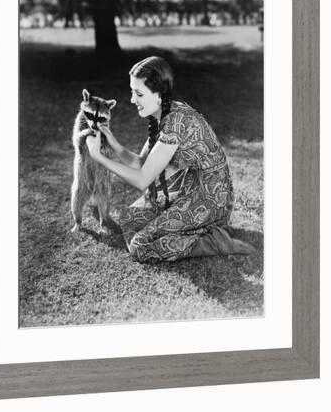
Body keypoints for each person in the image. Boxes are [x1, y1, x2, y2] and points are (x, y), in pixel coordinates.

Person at [85, 56, 255, 263]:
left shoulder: (176, 124)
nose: (131, 100)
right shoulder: (163, 113)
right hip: (190, 188)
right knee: (127, 218)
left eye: (138, 93)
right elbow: (141, 163)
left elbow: (142, 180)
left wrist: (97, 156)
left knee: (139, 247)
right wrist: (112, 142)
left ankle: (213, 240)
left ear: (159, 95)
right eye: (132, 91)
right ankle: (179, 231)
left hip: (211, 198)